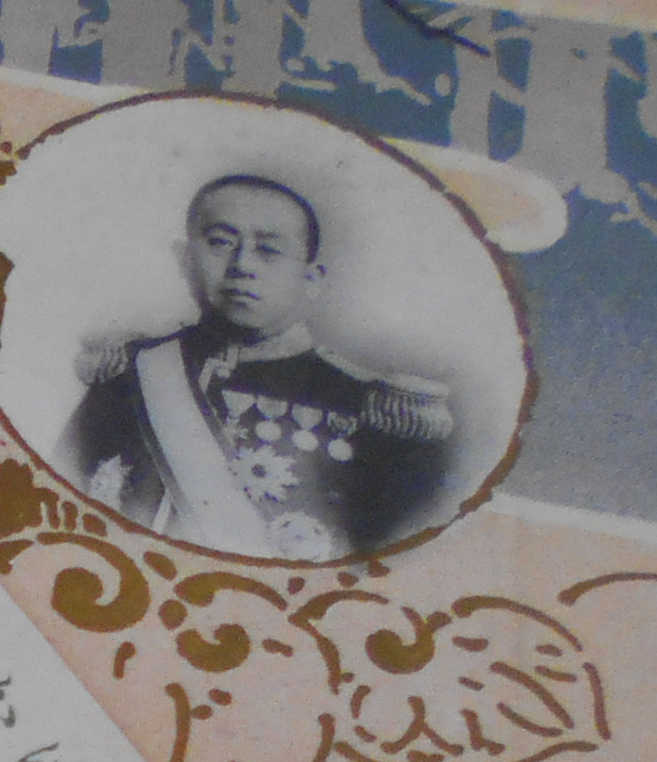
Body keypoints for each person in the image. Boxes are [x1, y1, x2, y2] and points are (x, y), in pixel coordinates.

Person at [59, 172, 459, 562]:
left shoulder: (369, 408)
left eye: (268, 250)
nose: (242, 265)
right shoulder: (130, 376)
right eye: (220, 243)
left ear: (311, 279)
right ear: (185, 260)